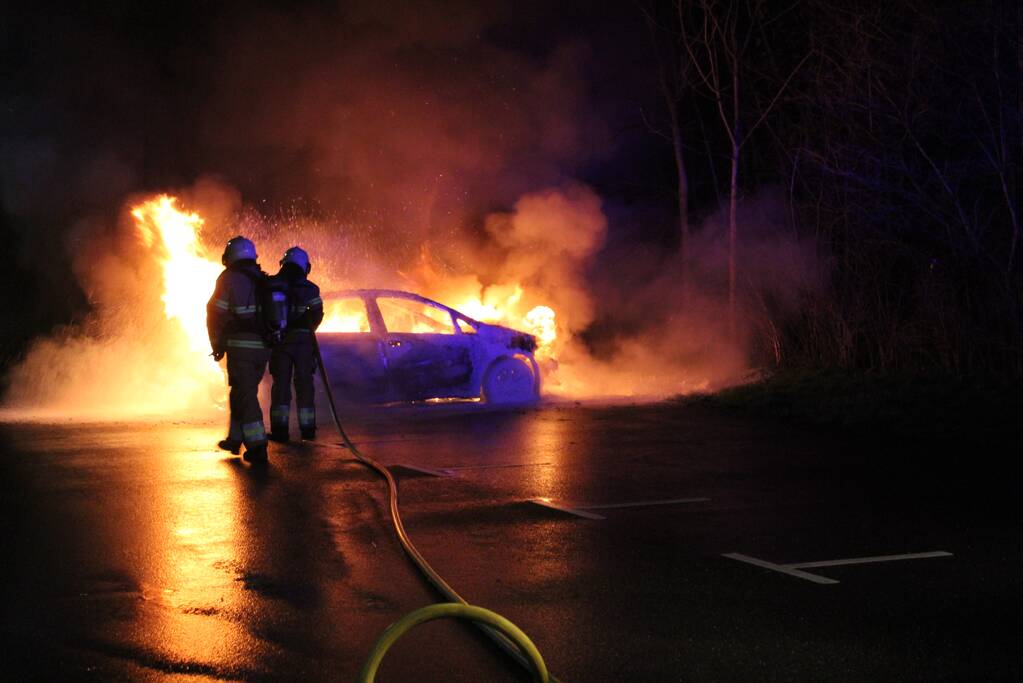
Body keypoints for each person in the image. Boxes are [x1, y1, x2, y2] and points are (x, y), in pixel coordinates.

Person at [207, 236, 272, 464]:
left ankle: (257, 446)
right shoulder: (263, 279)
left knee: (245, 395)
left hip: (240, 347)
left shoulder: (228, 279)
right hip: (262, 348)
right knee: (241, 392)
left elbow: (216, 313)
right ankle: (235, 438)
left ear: (229, 257)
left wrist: (217, 344)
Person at [268, 246, 324, 442]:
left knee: (281, 386)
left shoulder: (272, 284)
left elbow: (265, 313)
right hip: (303, 343)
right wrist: (307, 328)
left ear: (283, 264)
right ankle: (307, 430)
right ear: (305, 266)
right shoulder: (310, 289)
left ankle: (280, 431)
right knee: (304, 385)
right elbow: (317, 314)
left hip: (280, 341)